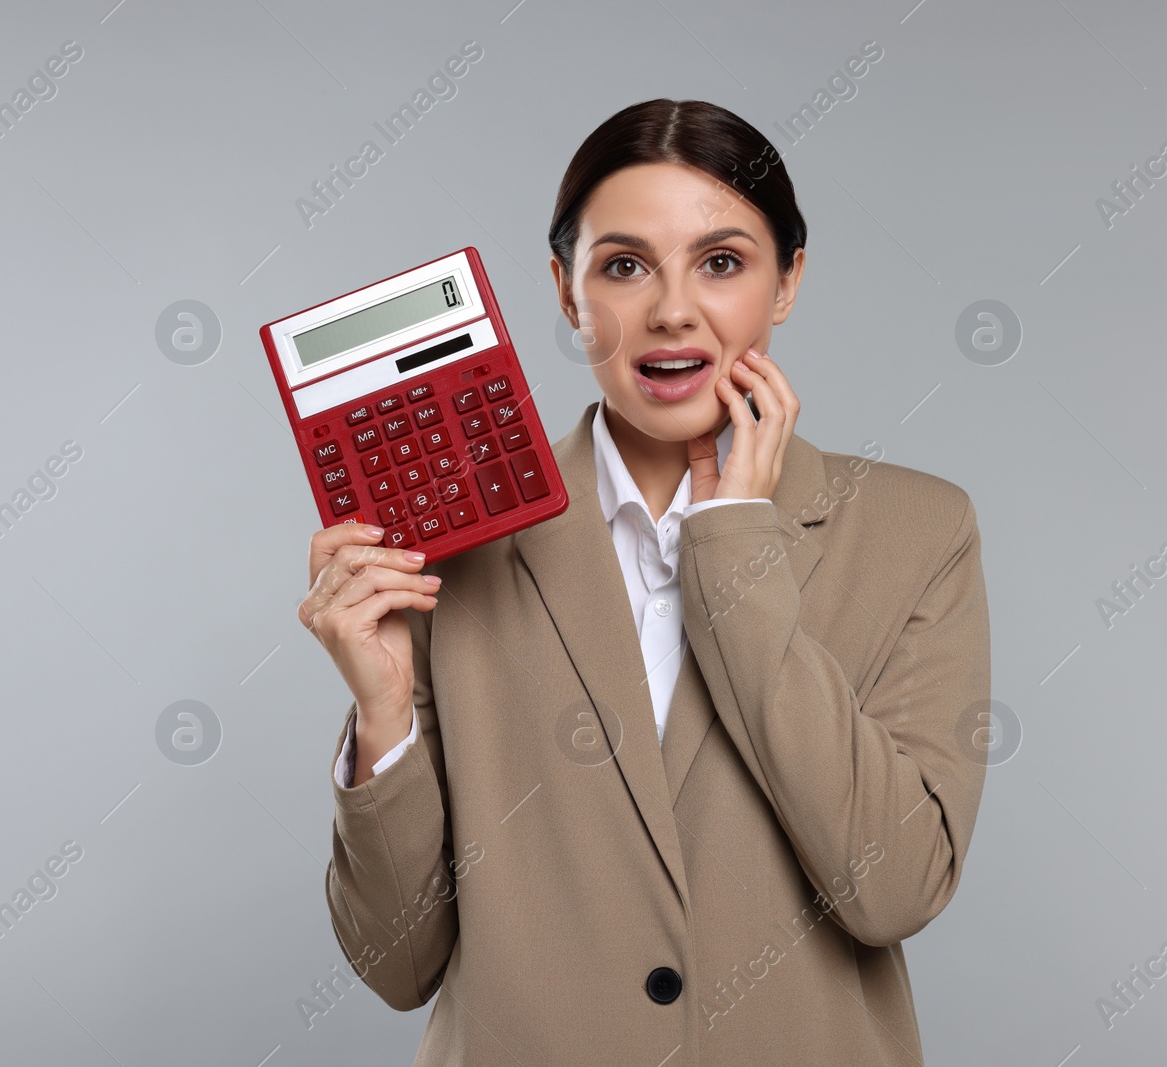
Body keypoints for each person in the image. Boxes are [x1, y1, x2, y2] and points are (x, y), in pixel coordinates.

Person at [299, 98, 991, 1065]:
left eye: (723, 262)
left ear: (788, 281)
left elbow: (895, 887)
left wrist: (733, 550)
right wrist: (383, 719)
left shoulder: (920, 530)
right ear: (566, 290)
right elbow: (395, 961)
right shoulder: (448, 546)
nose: (672, 310)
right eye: (623, 266)